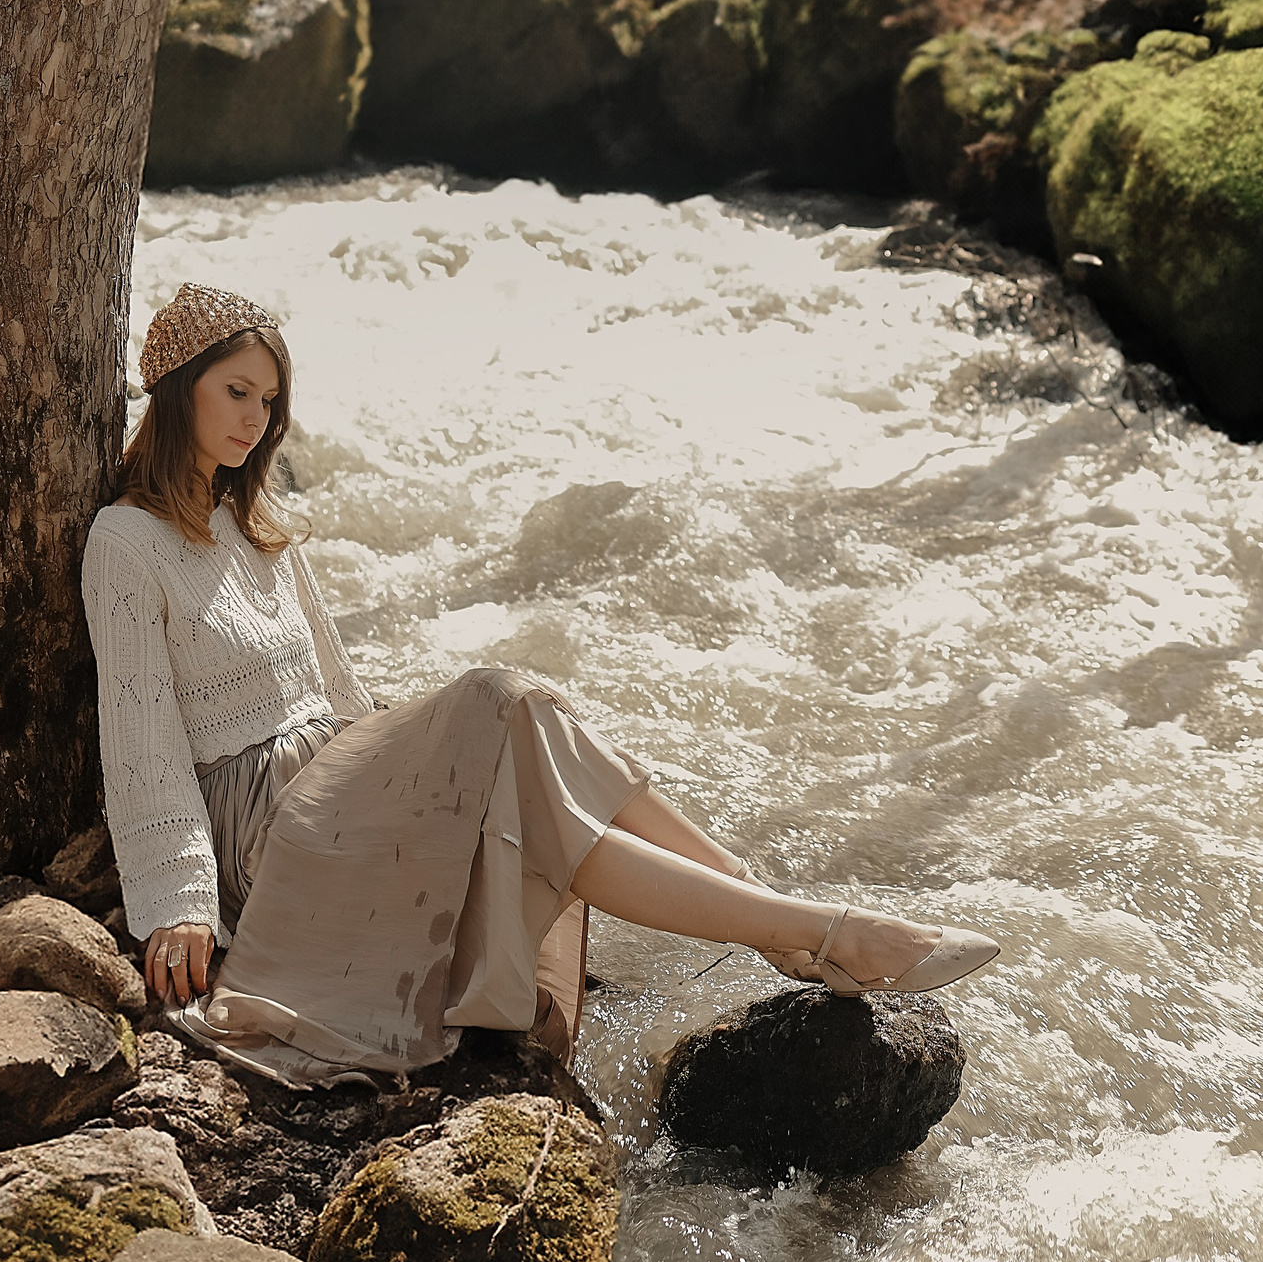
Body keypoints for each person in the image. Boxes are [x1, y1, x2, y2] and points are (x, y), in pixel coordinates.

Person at [82, 281, 999, 1087]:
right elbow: (141, 740)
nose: (255, 419)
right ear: (179, 388)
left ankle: (779, 912)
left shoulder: (254, 523)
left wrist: (416, 776)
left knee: (518, 719)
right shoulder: (125, 541)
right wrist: (181, 904)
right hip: (268, 831)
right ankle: (802, 927)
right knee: (499, 698)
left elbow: (342, 693)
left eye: (269, 400)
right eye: (236, 391)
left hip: (335, 781)